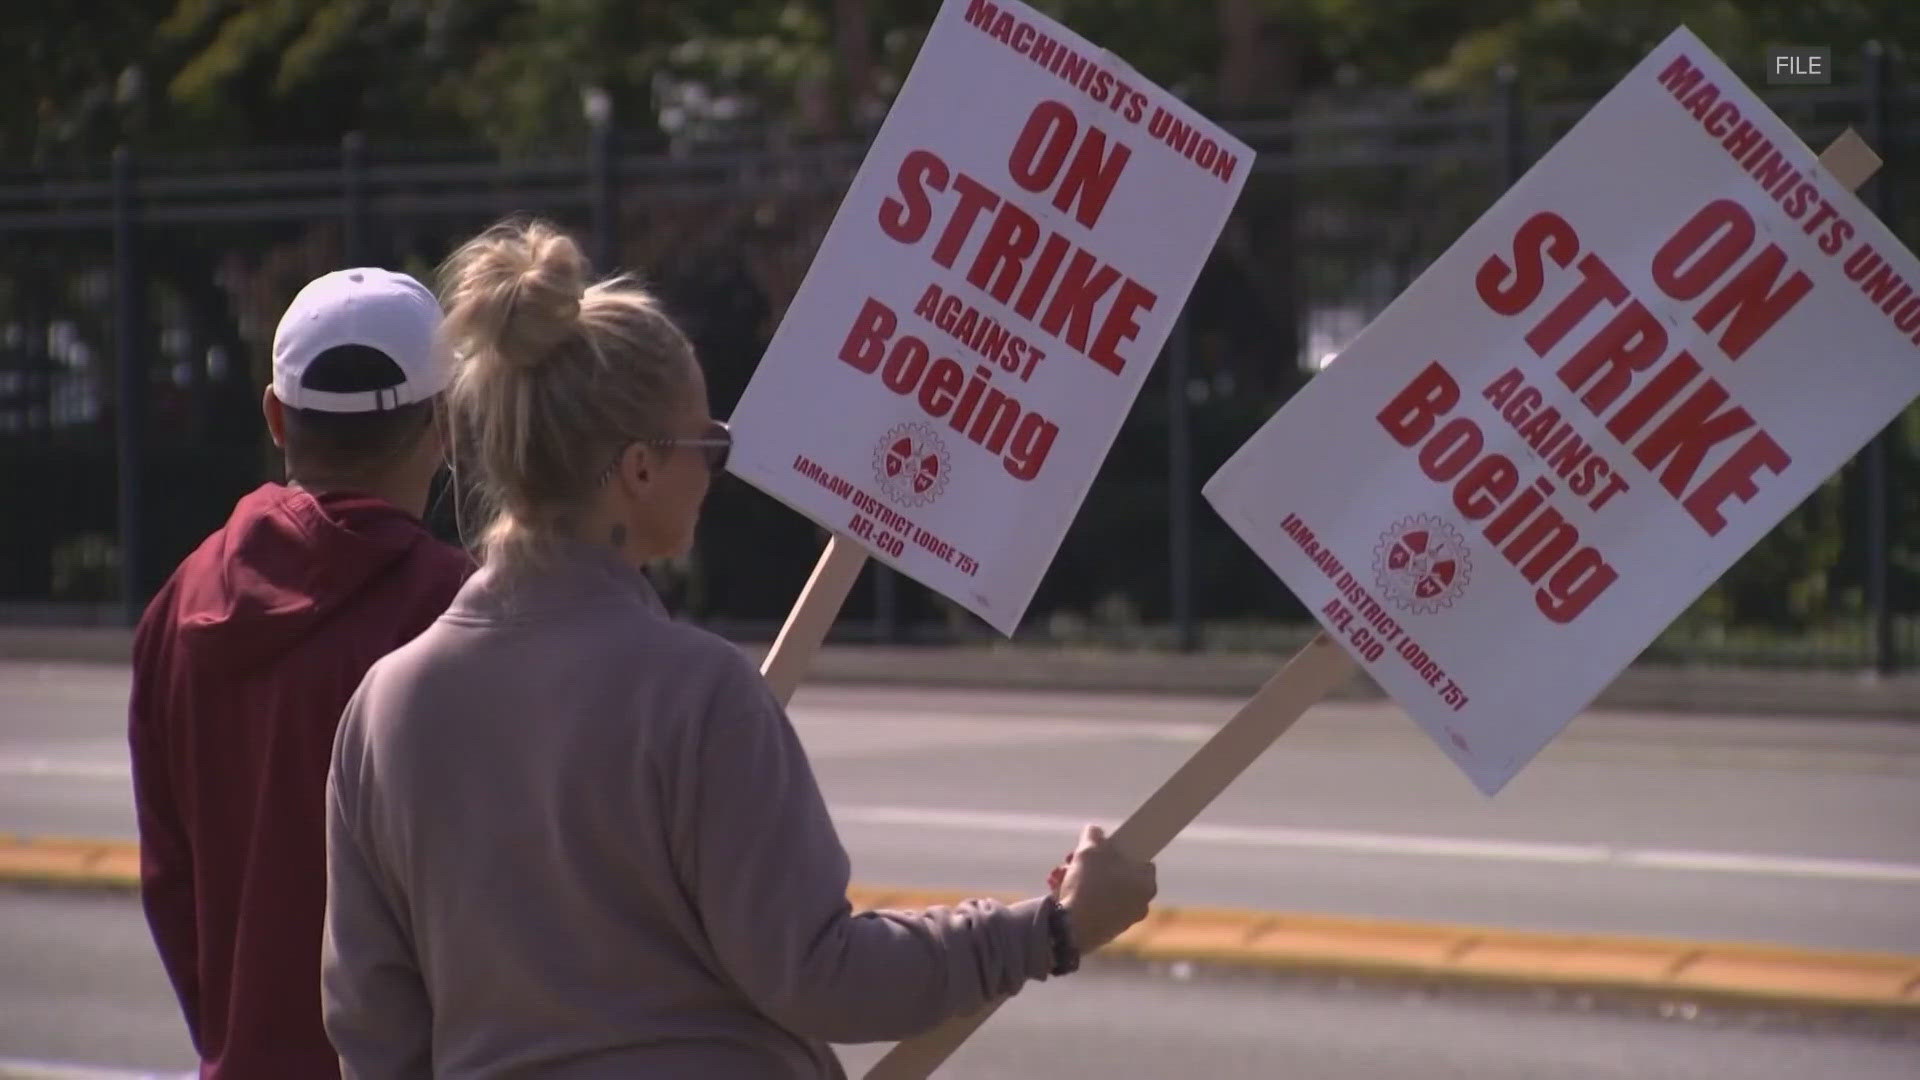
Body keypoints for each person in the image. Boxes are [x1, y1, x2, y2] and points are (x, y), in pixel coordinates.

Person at [320, 219, 1158, 1078]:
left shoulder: (385, 707)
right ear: (640, 468)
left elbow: (374, 1034)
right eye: (707, 444)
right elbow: (820, 976)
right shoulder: (697, 693)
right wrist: (1050, 930)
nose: (715, 469)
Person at [130, 267, 470, 1079]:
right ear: (447, 425)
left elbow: (170, 879)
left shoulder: (178, 605)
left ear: (277, 417)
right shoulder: (462, 614)